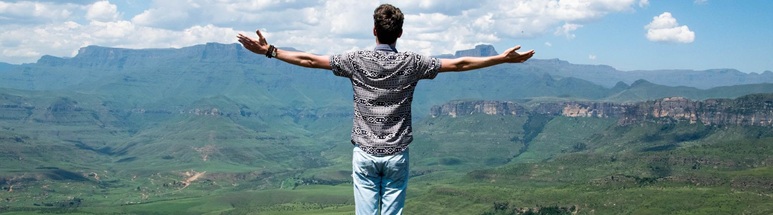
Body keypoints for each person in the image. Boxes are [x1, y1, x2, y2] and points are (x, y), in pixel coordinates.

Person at [237, 4, 535, 215]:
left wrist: (270, 51)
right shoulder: (413, 63)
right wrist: (499, 59)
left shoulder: (355, 60)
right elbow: (458, 64)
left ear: (374, 30)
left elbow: (310, 60)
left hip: (364, 153)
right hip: (397, 155)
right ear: (400, 33)